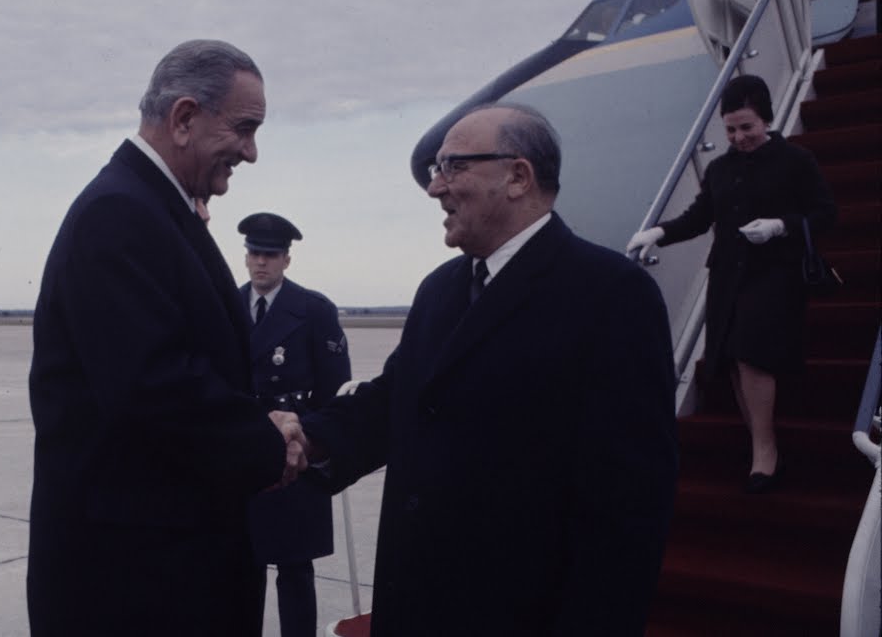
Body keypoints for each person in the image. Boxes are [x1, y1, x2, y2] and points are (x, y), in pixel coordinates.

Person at [299, 103, 679, 636]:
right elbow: (396, 401)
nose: (434, 188)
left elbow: (629, 506)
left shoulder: (610, 294)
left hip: (515, 613)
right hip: (416, 604)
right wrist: (306, 438)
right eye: (436, 170)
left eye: (453, 167)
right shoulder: (440, 290)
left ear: (518, 176)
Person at [26, 39, 307, 636]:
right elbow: (153, 387)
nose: (251, 153)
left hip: (161, 572)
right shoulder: (121, 213)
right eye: (245, 128)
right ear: (184, 118)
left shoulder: (152, 207)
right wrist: (264, 442)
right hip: (138, 586)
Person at [627, 74, 836, 493]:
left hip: (776, 272)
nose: (738, 137)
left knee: (749, 352)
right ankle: (761, 442)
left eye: (747, 127)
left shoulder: (796, 161)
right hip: (728, 273)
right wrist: (659, 234)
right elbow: (701, 217)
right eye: (730, 129)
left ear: (767, 120)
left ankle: (765, 449)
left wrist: (780, 226)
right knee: (732, 358)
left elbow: (825, 215)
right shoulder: (721, 168)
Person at [238, 212, 351, 637]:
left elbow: (335, 390)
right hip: (244, 451)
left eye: (270, 254)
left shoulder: (313, 310)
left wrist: (314, 445)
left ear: (287, 259)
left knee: (294, 567)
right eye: (254, 253)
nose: (261, 263)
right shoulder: (227, 306)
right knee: (240, 564)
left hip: (295, 449)